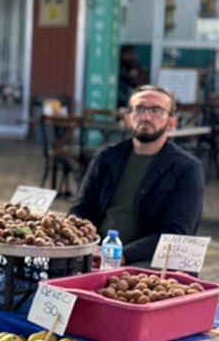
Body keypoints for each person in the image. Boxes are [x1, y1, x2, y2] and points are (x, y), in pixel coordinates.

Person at [70, 84, 204, 265]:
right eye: (139, 109)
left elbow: (177, 233)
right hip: (96, 253)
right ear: (127, 118)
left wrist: (122, 255)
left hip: (149, 261)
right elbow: (80, 210)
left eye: (156, 110)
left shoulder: (186, 168)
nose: (146, 117)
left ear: (172, 123)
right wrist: (78, 239)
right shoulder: (107, 158)